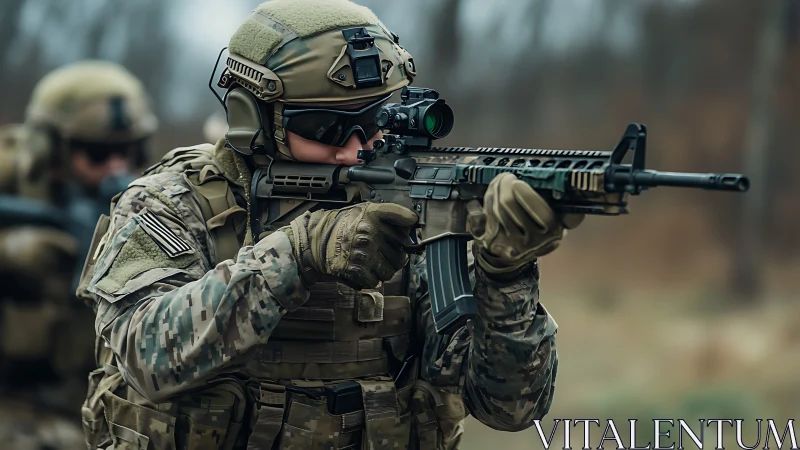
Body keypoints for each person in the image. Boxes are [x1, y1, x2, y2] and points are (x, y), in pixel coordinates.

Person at [78, 1, 583, 448]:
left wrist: (506, 274)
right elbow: (144, 355)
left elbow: (510, 408)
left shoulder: (422, 208)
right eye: (325, 128)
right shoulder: (172, 201)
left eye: (380, 118)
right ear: (252, 119)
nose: (358, 147)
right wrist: (298, 253)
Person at [0, 60, 158, 450]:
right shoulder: (10, 176)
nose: (115, 166)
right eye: (97, 153)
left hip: (92, 405)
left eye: (127, 151)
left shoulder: (148, 199)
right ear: (50, 147)